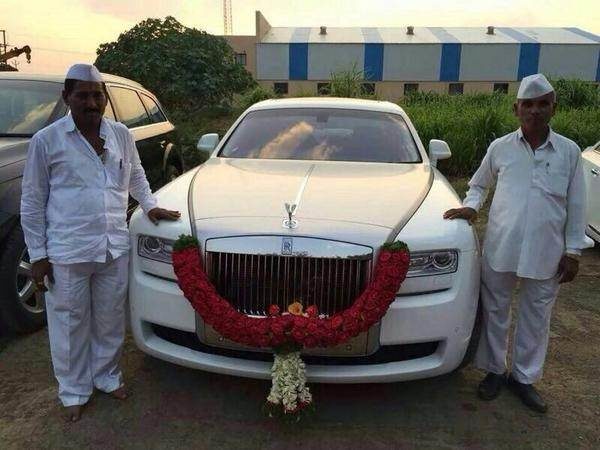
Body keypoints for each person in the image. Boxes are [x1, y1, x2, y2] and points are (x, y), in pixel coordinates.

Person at [20, 63, 181, 422]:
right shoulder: (46, 141)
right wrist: (39, 255)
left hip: (113, 246)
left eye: (97, 95)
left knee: (109, 318)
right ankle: (74, 390)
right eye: (82, 96)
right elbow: (31, 201)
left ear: (105, 99)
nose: (90, 103)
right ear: (67, 98)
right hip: (67, 250)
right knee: (70, 322)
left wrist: (151, 206)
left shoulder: (122, 135)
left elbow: (136, 174)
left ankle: (107, 377)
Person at [444, 73, 590, 413]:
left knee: (536, 316)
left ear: (554, 108)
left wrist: (573, 251)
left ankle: (524, 379)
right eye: (528, 104)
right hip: (502, 246)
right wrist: (471, 206)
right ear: (516, 108)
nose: (535, 111)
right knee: (495, 310)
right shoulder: (501, 148)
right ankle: (495, 371)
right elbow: (479, 185)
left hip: (547, 251)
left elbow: (577, 205)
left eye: (543, 104)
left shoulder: (569, 152)